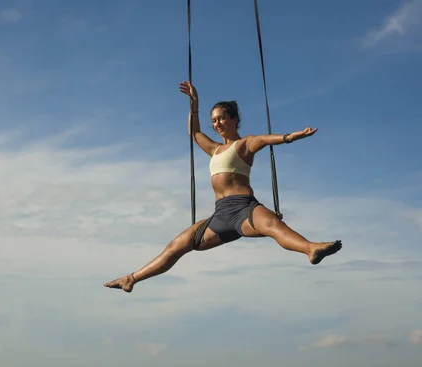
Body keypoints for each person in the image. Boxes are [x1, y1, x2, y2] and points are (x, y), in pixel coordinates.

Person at [104, 81, 342, 293]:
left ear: (234, 119)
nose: (217, 123)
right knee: (176, 246)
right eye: (214, 120)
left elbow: (267, 139)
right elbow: (194, 132)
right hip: (220, 215)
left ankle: (311, 248)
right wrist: (194, 105)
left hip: (244, 208)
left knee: (272, 225)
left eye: (221, 118)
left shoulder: (245, 144)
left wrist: (291, 137)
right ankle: (131, 278)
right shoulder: (215, 149)